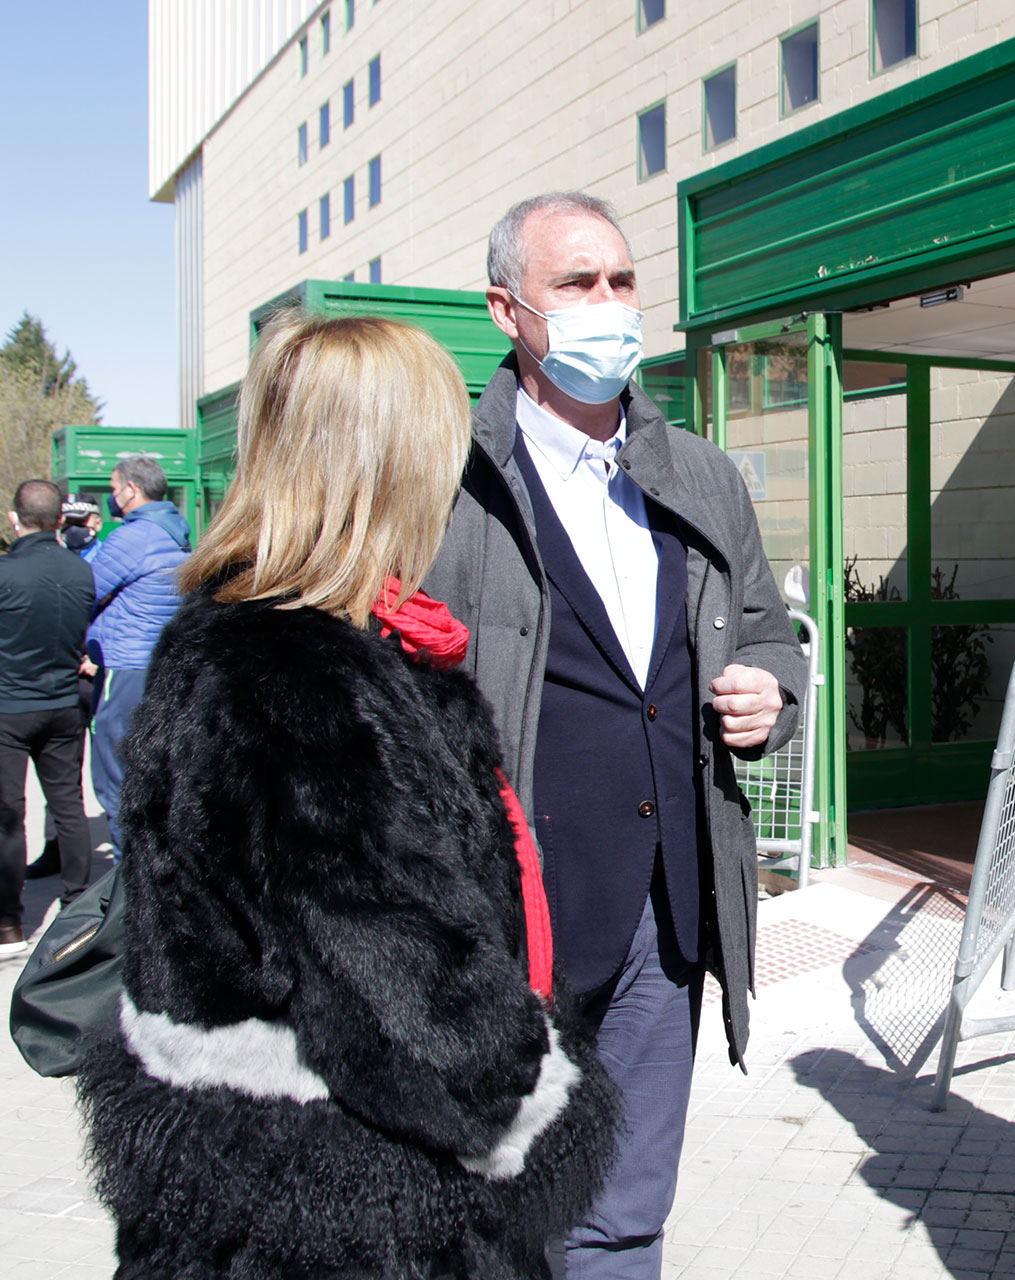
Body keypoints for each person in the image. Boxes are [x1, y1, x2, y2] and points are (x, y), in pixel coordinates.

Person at [76, 312, 619, 1279]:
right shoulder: (297, 677)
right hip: (349, 1219)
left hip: (255, 1194)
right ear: (390, 462)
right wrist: (536, 1094)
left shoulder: (243, 637)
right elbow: (409, 1002)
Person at [421, 191, 805, 1279]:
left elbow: (774, 635)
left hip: (665, 915)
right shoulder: (447, 478)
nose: (608, 305)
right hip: (504, 915)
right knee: (488, 1210)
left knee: (624, 1218)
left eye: (623, 281)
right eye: (576, 283)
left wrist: (773, 693)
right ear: (506, 307)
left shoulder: (702, 475)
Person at [0, 480, 96, 954]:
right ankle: (77, 907)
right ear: (61, 520)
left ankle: (9, 924)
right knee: (69, 806)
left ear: (15, 519)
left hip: (10, 709)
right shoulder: (80, 572)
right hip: (62, 704)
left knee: (7, 813)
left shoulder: (6, 573)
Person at [86, 455, 190, 850]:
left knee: (112, 774)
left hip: (122, 665)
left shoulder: (132, 537)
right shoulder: (176, 532)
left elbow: (88, 592)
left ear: (131, 489)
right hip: (156, 662)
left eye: (114, 489)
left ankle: (121, 879)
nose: (113, 497)